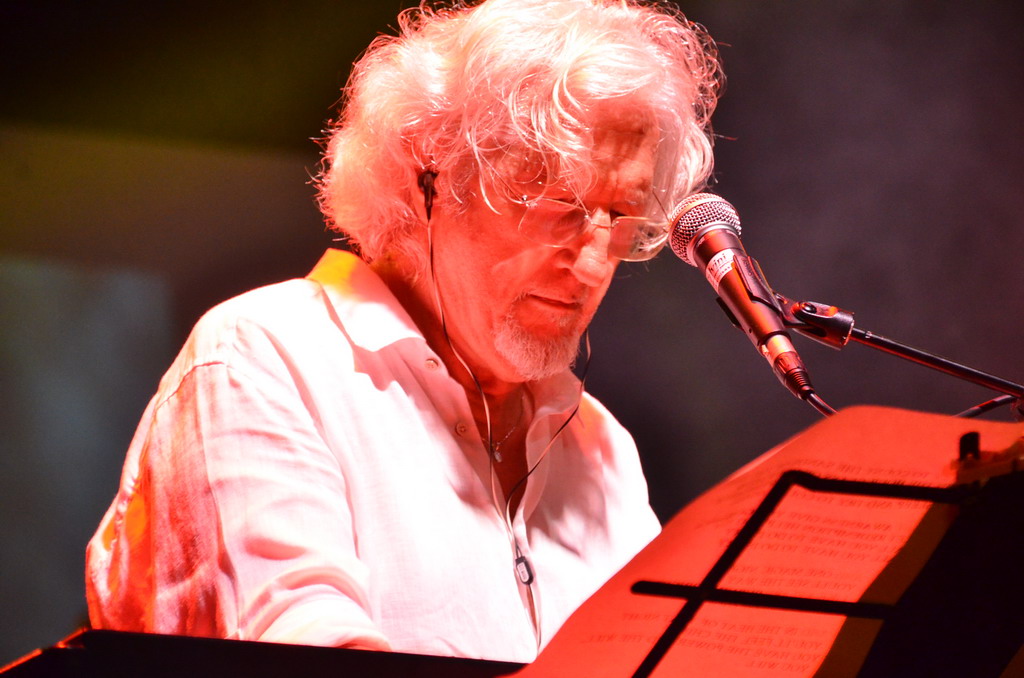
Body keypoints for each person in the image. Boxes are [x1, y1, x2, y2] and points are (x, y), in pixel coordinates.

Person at [85, 0, 722, 663]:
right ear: (430, 181)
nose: (593, 264)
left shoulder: (601, 447)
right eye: (559, 205)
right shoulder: (264, 359)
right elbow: (306, 650)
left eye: (622, 217)